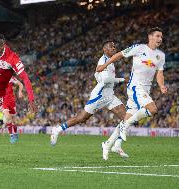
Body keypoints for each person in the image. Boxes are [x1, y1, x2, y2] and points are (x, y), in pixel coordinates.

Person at [50, 41, 128, 159]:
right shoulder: (103, 61)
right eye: (111, 47)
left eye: (114, 46)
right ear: (104, 49)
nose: (114, 48)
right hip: (99, 96)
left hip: (110, 96)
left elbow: (104, 77)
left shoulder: (110, 61)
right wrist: (122, 80)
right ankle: (58, 129)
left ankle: (115, 144)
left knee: (127, 118)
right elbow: (106, 80)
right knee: (81, 118)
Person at [100, 27, 167, 160]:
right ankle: (124, 128)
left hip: (145, 90)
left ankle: (109, 144)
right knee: (152, 109)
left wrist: (161, 85)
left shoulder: (161, 56)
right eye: (158, 36)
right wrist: (104, 65)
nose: (160, 39)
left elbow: (160, 73)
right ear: (150, 36)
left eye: (161, 36)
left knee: (127, 118)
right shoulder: (139, 48)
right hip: (135, 87)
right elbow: (119, 55)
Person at [1, 76, 24, 143]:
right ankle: (12, 136)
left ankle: (15, 133)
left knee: (13, 121)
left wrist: (20, 92)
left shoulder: (10, 77)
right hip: (4, 102)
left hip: (11, 102)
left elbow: (20, 84)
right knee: (8, 118)